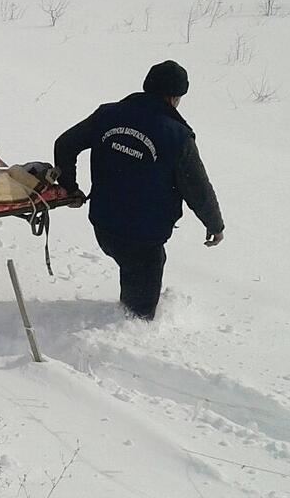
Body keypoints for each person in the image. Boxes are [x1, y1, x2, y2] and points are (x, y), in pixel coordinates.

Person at [54, 60, 224, 320]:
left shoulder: (107, 115)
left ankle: (119, 329)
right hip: (143, 238)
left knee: (132, 276)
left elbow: (64, 144)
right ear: (174, 98)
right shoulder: (178, 137)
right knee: (138, 315)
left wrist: (69, 187)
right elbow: (197, 187)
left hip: (103, 224)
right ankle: (121, 348)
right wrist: (214, 224)